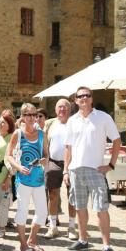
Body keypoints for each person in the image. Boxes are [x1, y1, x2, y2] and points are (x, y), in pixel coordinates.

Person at [63, 86, 120, 251]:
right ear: (76, 100)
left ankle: (106, 246)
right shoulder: (72, 120)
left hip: (96, 170)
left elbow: (117, 140)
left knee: (101, 209)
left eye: (87, 96)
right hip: (75, 170)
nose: (84, 98)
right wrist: (66, 170)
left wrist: (111, 164)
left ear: (91, 99)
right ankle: (83, 240)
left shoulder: (103, 117)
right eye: (80, 96)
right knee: (80, 207)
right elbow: (68, 147)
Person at [6, 103, 49, 251]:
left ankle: (32, 239)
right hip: (23, 179)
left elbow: (45, 154)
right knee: (22, 211)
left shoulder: (42, 134)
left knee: (43, 212)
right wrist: (18, 167)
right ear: (23, 117)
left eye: (34, 114)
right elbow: (8, 155)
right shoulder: (18, 134)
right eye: (29, 115)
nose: (32, 118)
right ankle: (23, 244)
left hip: (38, 179)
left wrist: (44, 160)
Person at [43, 99, 78, 240]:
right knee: (52, 195)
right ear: (56, 109)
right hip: (53, 163)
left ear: (69, 110)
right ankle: (53, 226)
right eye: (60, 107)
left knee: (72, 197)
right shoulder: (50, 123)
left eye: (65, 107)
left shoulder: (74, 123)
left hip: (71, 164)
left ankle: (71, 227)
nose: (62, 109)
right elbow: (43, 141)